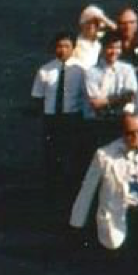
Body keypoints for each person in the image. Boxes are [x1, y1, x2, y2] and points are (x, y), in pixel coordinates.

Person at [70, 112, 138, 271]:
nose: (136, 137)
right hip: (119, 213)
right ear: (122, 132)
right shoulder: (104, 155)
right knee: (122, 267)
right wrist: (77, 223)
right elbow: (87, 190)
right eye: (130, 133)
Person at [31, 31, 84, 205]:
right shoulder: (45, 71)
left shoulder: (81, 70)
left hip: (72, 119)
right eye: (59, 46)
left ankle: (70, 196)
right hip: (52, 120)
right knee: (52, 158)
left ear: (74, 48)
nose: (62, 50)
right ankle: (51, 196)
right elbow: (38, 97)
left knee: (72, 158)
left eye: (66, 46)